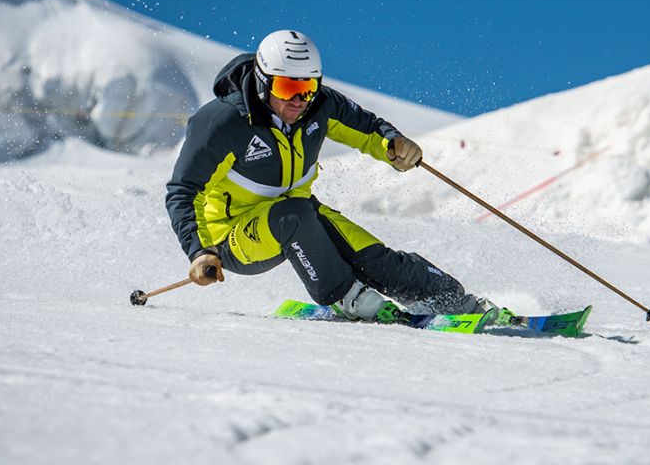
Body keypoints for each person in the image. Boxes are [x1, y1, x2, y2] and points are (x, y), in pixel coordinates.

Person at [165, 30, 494, 322]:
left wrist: (394, 145)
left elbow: (367, 128)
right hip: (232, 237)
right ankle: (346, 297)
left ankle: (449, 299)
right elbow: (183, 189)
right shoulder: (222, 124)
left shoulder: (318, 106)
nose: (299, 99)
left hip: (301, 215)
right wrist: (200, 251)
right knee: (290, 215)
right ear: (264, 81)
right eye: (287, 86)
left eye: (307, 87)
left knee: (372, 256)